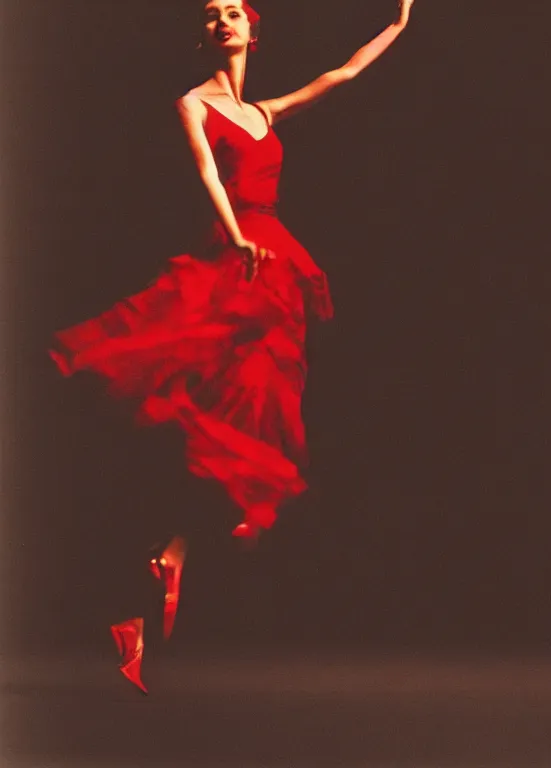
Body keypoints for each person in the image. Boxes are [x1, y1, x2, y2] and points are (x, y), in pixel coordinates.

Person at [49, 0, 414, 695]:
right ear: (204, 34)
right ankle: (158, 558)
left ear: (253, 28)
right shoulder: (194, 103)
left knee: (257, 408)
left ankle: (172, 553)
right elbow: (208, 175)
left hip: (275, 262)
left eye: (233, 11)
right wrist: (236, 234)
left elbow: (341, 74)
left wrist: (396, 23)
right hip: (235, 256)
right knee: (212, 406)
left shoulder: (266, 111)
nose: (223, 20)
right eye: (212, 13)